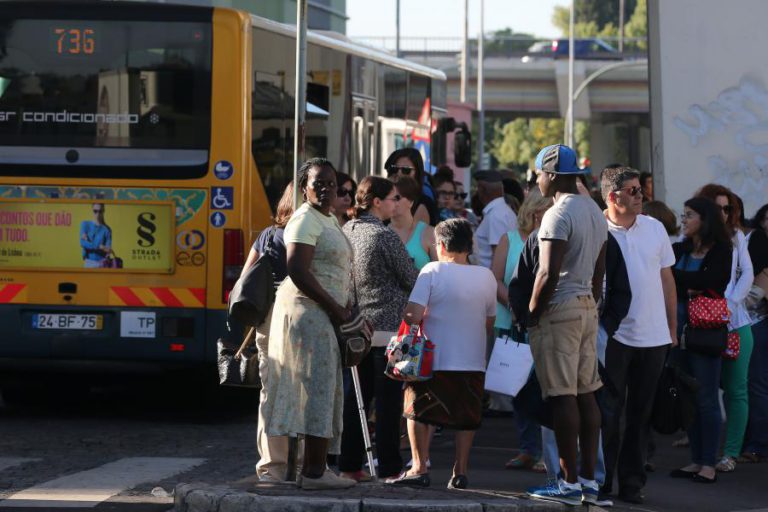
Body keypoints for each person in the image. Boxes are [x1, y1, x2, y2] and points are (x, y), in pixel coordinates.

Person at [260, 157, 356, 490]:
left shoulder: (328, 218)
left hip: (324, 311)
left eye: (333, 184)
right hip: (307, 311)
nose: (327, 189)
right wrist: (336, 308)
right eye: (319, 183)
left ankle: (316, 468)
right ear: (304, 189)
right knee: (316, 388)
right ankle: (314, 472)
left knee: (324, 387)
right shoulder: (304, 219)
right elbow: (297, 270)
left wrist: (347, 309)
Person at [526, 144, 608, 506]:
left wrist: (531, 312)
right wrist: (590, 300)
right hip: (588, 307)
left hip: (560, 308)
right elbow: (599, 270)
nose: (537, 181)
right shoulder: (593, 209)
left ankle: (568, 483)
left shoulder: (557, 214)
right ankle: (590, 483)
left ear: (554, 175)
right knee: (586, 392)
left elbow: (546, 272)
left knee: (562, 396)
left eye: (540, 174)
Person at [389, 218, 496, 489]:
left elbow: (412, 315)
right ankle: (460, 472)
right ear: (468, 246)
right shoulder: (486, 276)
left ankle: (419, 466)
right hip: (472, 360)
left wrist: (422, 313)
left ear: (442, 244)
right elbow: (489, 321)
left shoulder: (432, 271)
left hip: (432, 360)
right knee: (465, 418)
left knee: (417, 411)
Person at [599, 167, 677, 505]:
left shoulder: (655, 228)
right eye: (632, 191)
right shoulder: (597, 229)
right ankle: (601, 479)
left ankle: (632, 482)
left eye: (639, 189)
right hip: (611, 336)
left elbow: (667, 281)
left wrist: (672, 329)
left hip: (654, 336)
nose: (639, 195)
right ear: (613, 197)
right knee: (607, 412)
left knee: (640, 414)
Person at [338, 176, 418, 481]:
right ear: (376, 202)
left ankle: (349, 464)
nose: (395, 204)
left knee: (356, 400)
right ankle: (388, 466)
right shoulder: (383, 236)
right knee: (388, 404)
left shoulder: (347, 230)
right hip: (387, 329)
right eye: (393, 198)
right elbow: (410, 276)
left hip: (356, 328)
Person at [669, 197, 732, 484]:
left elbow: (714, 280)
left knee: (707, 398)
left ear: (704, 220)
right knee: (687, 398)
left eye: (689, 215)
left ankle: (709, 463)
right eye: (683, 215)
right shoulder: (680, 248)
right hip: (678, 334)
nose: (683, 220)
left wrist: (684, 281)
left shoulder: (721, 249)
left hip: (704, 333)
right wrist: (691, 282)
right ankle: (696, 459)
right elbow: (667, 275)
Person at [491, 189, 552, 472]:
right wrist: (516, 307)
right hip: (512, 323)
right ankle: (528, 448)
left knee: (544, 389)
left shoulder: (556, 239)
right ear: (535, 211)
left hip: (544, 324)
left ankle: (545, 453)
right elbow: (495, 277)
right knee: (518, 388)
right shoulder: (510, 239)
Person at [695, 184, 754, 473]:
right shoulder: (693, 240)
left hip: (735, 325)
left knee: (736, 390)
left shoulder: (736, 237)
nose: (723, 213)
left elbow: (748, 274)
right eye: (717, 207)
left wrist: (728, 306)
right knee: (701, 390)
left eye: (727, 208)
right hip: (700, 326)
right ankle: (700, 451)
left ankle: (730, 453)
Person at [239, 182, 294, 483]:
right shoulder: (311, 232)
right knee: (300, 392)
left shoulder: (267, 235)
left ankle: (272, 466)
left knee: (271, 391)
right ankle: (297, 464)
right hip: (298, 315)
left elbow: (246, 279)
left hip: (268, 319)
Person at [742, 204, 768, 462]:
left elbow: (752, 298)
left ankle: (757, 443)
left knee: (756, 386)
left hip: (756, 324)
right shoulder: (756, 246)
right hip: (755, 323)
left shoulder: (759, 253)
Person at [390, 176, 437, 271]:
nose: (392, 202)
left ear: (411, 202)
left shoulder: (429, 233)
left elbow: (439, 275)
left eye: (397, 198)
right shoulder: (380, 233)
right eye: (387, 198)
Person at [384, 148, 437, 226]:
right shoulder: (382, 197)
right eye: (394, 169)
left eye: (406, 170)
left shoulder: (424, 202)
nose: (399, 174)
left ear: (417, 173)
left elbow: (416, 237)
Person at [80, 203, 112, 268]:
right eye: (95, 211)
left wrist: (89, 241)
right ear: (92, 210)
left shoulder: (107, 229)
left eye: (100, 211)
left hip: (102, 263)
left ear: (103, 211)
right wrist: (100, 247)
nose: (98, 214)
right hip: (89, 262)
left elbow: (108, 249)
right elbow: (82, 243)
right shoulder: (85, 224)